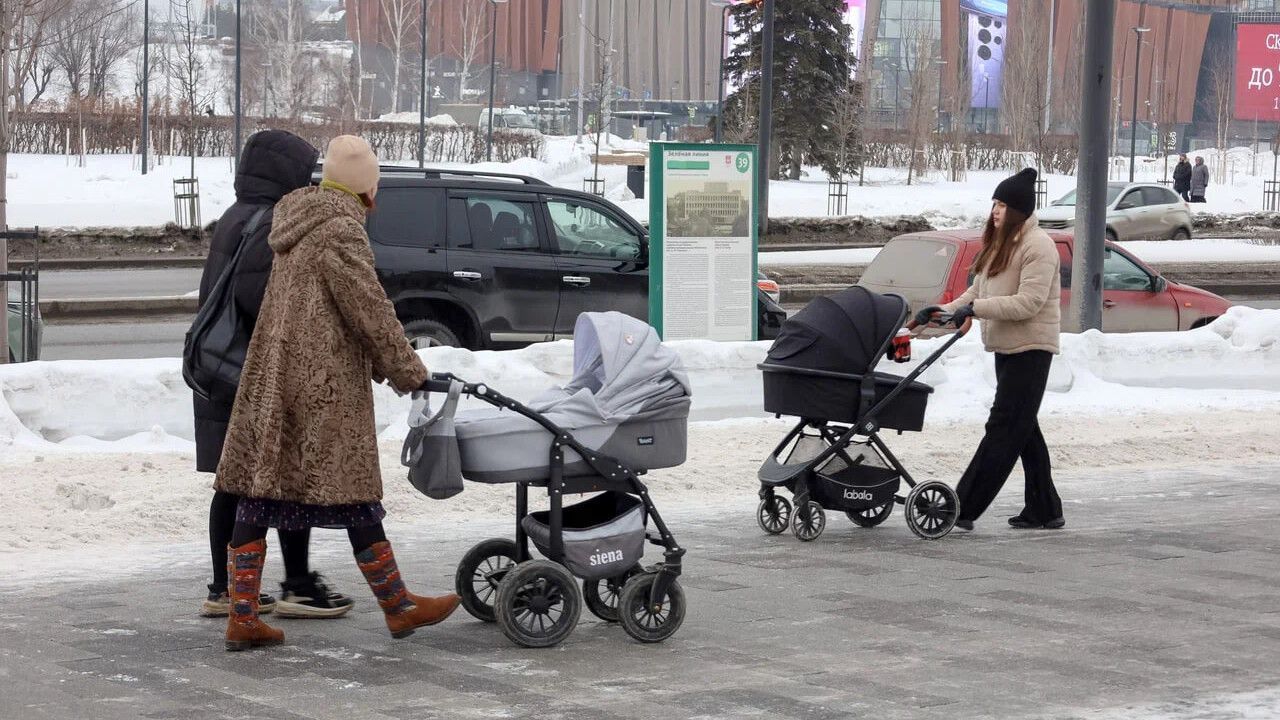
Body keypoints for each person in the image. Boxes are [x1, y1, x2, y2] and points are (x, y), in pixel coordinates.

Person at [214, 135, 460, 651]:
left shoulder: (294, 222)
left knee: (260, 492)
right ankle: (398, 606)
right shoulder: (339, 231)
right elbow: (369, 311)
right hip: (319, 386)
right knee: (355, 496)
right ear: (367, 190)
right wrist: (409, 371)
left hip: (274, 379)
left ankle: (243, 616)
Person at [194, 129, 353, 620]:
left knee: (235, 480)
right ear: (285, 174)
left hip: (220, 364)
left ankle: (227, 587)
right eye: (305, 171)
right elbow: (260, 299)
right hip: (252, 370)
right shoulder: (268, 223)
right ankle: (294, 585)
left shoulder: (236, 215)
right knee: (277, 477)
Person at [915, 168, 1064, 532]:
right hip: (1006, 347)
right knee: (1023, 429)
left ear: (1019, 210)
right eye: (994, 203)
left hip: (1031, 349)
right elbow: (977, 292)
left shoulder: (1038, 246)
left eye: (1002, 205)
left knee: (1003, 427)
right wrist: (942, 312)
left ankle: (961, 508)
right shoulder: (1001, 243)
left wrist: (975, 310)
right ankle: (1045, 508)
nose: (995, 211)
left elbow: (1028, 302)